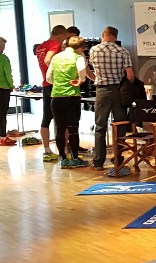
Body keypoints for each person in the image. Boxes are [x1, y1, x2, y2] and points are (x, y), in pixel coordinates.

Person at [87, 27, 135, 171]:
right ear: (116, 37)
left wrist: (97, 79)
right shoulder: (123, 51)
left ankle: (98, 162)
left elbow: (89, 69)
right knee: (120, 125)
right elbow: (130, 75)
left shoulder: (94, 50)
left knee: (100, 126)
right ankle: (118, 158)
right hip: (119, 91)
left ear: (103, 35)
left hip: (102, 90)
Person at [46, 36, 89, 168]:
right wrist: (79, 81)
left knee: (59, 129)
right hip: (72, 96)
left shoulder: (56, 57)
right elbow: (82, 75)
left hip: (56, 97)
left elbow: (48, 78)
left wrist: (59, 83)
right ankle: (75, 158)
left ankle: (63, 159)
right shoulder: (78, 58)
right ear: (80, 48)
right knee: (73, 129)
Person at [34, 24, 68, 161]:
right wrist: (59, 72)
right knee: (63, 120)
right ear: (60, 36)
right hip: (55, 85)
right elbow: (48, 60)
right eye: (64, 38)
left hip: (45, 85)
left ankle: (47, 150)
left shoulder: (40, 47)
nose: (63, 41)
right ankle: (65, 151)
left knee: (46, 118)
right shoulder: (55, 44)